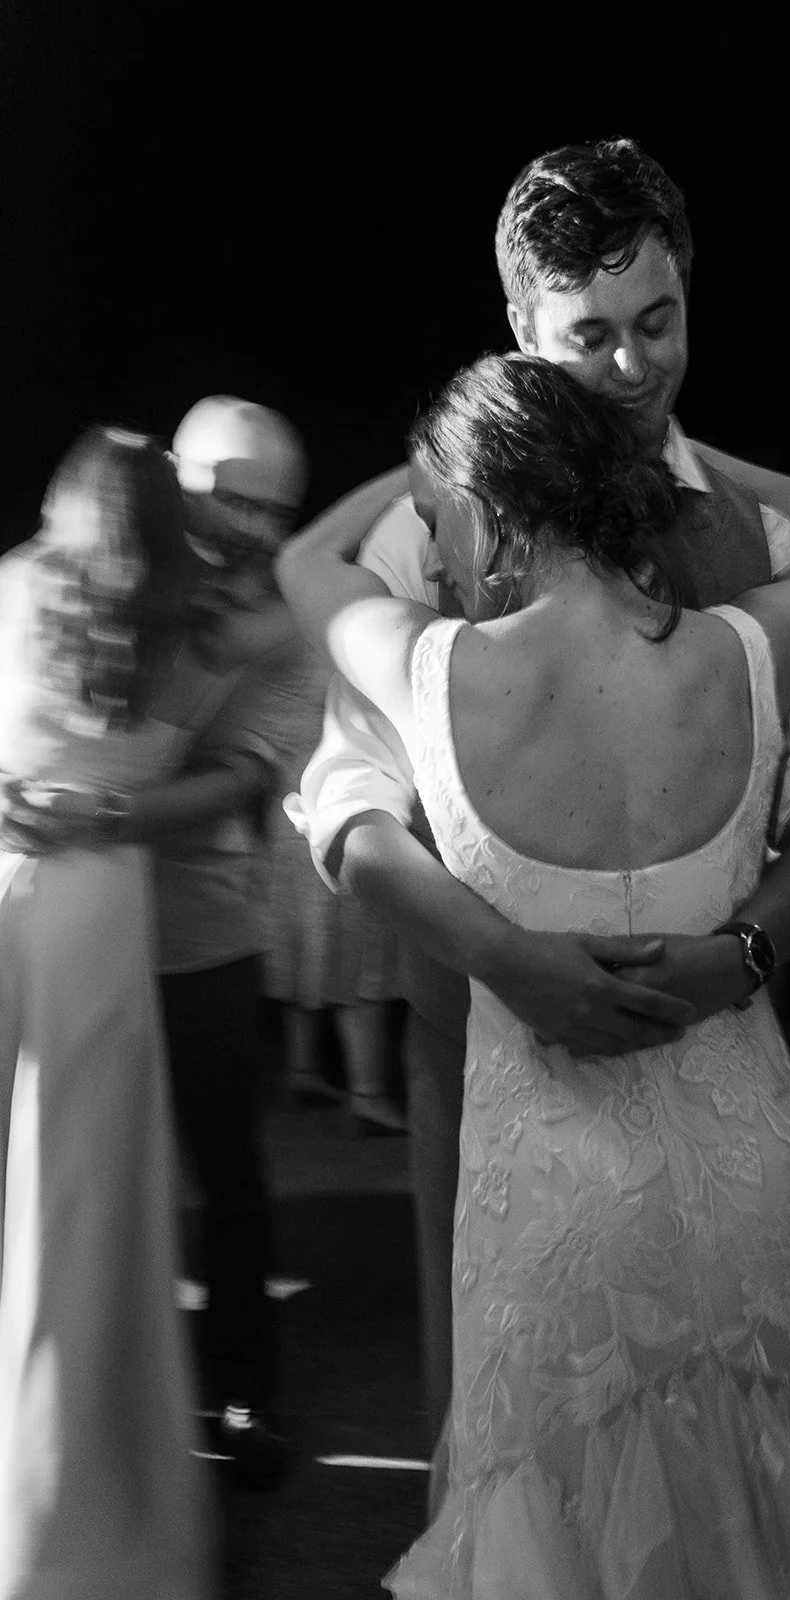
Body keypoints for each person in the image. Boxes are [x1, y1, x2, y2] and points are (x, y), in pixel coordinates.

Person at [278, 351, 790, 1598]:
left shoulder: (431, 670)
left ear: (490, 506)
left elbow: (302, 568)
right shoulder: (747, 652)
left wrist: (429, 455)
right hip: (741, 1182)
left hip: (553, 1211)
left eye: (440, 515)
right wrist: (650, 447)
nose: (436, 553)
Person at [289, 138, 790, 1468]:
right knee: (523, 1476)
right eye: (590, 334)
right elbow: (347, 807)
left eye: (658, 322)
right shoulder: (424, 535)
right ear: (519, 325)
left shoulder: (759, 532)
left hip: (727, 1082)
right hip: (497, 1094)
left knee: (750, 1459)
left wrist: (741, 957)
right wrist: (504, 958)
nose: (630, 368)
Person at [0, 428, 213, 1598]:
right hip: (97, 910)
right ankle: (79, 1506)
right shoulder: (180, 636)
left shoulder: (13, 588)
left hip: (9, 891)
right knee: (83, 1212)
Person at [155, 395, 312, 1484]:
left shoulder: (290, 618)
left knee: (229, 1178)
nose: (243, 526)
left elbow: (246, 781)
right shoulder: (105, 567)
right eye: (226, 497)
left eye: (267, 508)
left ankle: (241, 1390)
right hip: (80, 922)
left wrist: (107, 803)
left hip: (204, 931)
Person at [261, 638, 409, 1135]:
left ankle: (303, 1070)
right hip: (333, 804)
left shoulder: (274, 634)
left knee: (306, 948)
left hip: (285, 810)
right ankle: (367, 1093)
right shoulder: (344, 638)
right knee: (356, 957)